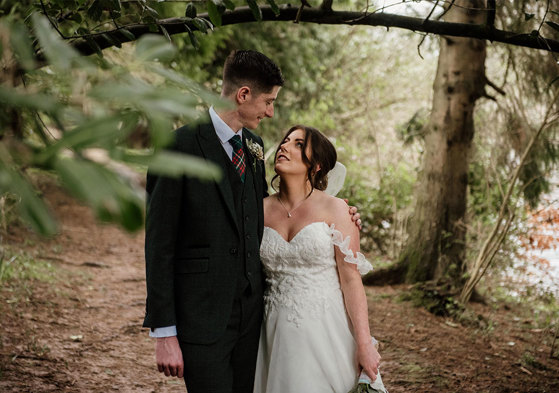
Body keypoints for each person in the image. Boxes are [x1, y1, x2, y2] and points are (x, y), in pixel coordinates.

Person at [143, 50, 361, 393]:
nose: (271, 111)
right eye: (269, 101)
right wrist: (164, 332)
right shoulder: (177, 146)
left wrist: (337, 212)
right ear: (243, 95)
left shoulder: (255, 149)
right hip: (202, 319)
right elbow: (159, 244)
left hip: (255, 323)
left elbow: (261, 215)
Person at [253, 125, 388, 393]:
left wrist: (364, 343)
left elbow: (351, 280)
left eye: (298, 144)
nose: (284, 146)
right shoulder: (258, 209)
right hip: (271, 330)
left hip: (326, 330)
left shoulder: (337, 209)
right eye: (285, 141)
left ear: (316, 166)